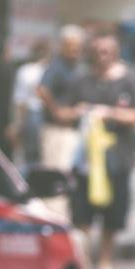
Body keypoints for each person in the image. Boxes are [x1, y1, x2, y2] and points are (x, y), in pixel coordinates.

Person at [62, 32, 135, 269]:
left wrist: (109, 114)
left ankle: (105, 262)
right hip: (86, 159)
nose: (103, 55)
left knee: (113, 214)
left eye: (108, 51)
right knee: (82, 213)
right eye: (98, 51)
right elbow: (65, 111)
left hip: (117, 157)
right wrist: (77, 112)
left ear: (116, 52)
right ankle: (85, 261)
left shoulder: (128, 80)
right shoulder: (81, 80)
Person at [37, 25, 86, 178]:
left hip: (74, 127)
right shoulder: (57, 66)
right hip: (56, 129)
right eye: (72, 46)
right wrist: (57, 110)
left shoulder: (78, 66)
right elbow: (42, 89)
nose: (75, 50)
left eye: (78, 46)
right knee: (57, 172)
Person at [10, 39, 51, 167]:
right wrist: (18, 125)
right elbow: (21, 102)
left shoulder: (29, 70)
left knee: (32, 156)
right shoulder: (28, 71)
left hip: (41, 117)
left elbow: (20, 101)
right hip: (35, 115)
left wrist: (17, 125)